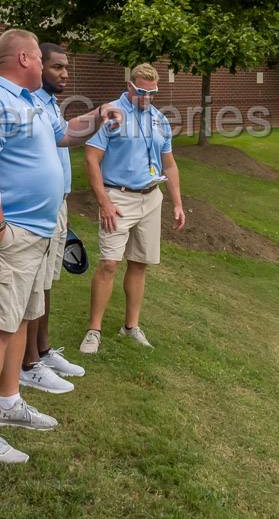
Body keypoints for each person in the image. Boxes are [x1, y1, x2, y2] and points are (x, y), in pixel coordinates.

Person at [0, 29, 120, 465]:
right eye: (41, 58)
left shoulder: (31, 102)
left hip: (37, 231)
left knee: (18, 322)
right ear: (27, 58)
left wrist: (102, 114)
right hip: (10, 234)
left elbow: (65, 135)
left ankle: (10, 402)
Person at [79, 63, 185, 355]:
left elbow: (169, 164)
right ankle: (94, 329)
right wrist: (104, 202)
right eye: (141, 92)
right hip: (119, 198)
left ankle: (130, 327)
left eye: (152, 93)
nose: (146, 98)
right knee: (109, 263)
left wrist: (176, 202)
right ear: (129, 86)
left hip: (151, 198)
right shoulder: (111, 113)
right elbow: (90, 158)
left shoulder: (159, 119)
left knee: (139, 264)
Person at [18, 43, 85, 395]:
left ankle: (42, 351)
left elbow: (65, 139)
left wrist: (102, 118)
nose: (64, 73)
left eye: (66, 67)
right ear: (39, 66)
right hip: (38, 208)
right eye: (58, 67)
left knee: (47, 283)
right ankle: (27, 364)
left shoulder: (50, 105)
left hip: (57, 204)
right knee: (33, 286)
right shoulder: (28, 104)